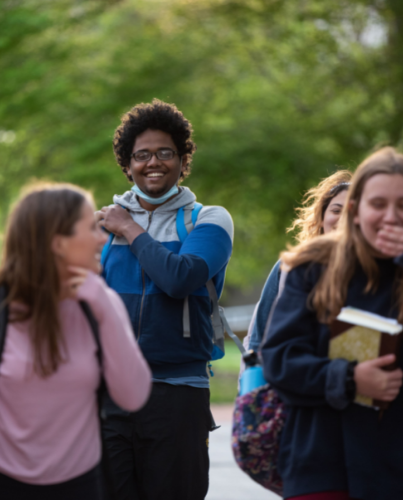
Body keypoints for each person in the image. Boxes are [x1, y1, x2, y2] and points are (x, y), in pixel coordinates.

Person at [0, 183, 152, 500]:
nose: (102, 237)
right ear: (57, 243)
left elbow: (134, 396)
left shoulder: (99, 305)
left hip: (81, 486)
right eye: (89, 228)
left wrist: (102, 302)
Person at [95, 99, 234, 500]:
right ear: (127, 164)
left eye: (164, 153)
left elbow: (180, 278)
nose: (152, 162)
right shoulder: (101, 226)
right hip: (110, 393)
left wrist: (131, 229)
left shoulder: (208, 219)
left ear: (182, 159)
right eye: (141, 155)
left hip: (178, 392)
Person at [260, 146, 403, 500]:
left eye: (402, 206)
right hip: (322, 464)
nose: (390, 216)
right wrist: (351, 378)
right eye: (378, 204)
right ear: (356, 210)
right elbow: (279, 360)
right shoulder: (312, 267)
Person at [244, 170, 352, 353]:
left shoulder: (381, 269)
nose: (342, 220)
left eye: (351, 212)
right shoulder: (291, 267)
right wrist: (253, 377)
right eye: (336, 210)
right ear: (321, 218)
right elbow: (259, 334)